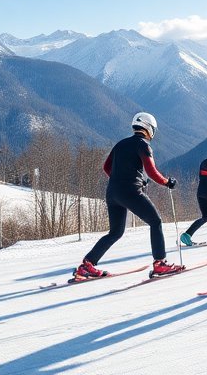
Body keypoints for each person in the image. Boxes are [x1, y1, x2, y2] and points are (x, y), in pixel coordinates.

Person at [74, 112, 182, 282]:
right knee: (155, 221)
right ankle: (160, 263)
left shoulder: (120, 144)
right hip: (131, 191)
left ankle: (87, 265)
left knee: (115, 232)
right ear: (149, 128)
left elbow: (106, 167)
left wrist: (121, 179)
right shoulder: (144, 145)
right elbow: (152, 171)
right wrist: (167, 182)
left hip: (112, 193)